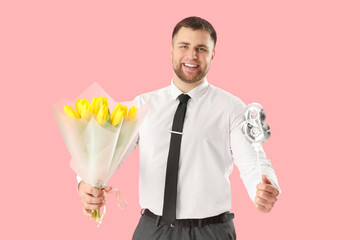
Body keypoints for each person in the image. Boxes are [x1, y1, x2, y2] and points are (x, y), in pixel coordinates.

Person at [77, 16, 281, 240]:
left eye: (201, 48)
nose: (192, 55)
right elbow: (106, 157)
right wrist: (84, 183)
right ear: (172, 50)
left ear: (213, 55)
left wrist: (263, 187)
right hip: (152, 229)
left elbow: (253, 163)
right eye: (184, 46)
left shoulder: (232, 108)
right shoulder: (142, 106)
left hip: (211, 232)